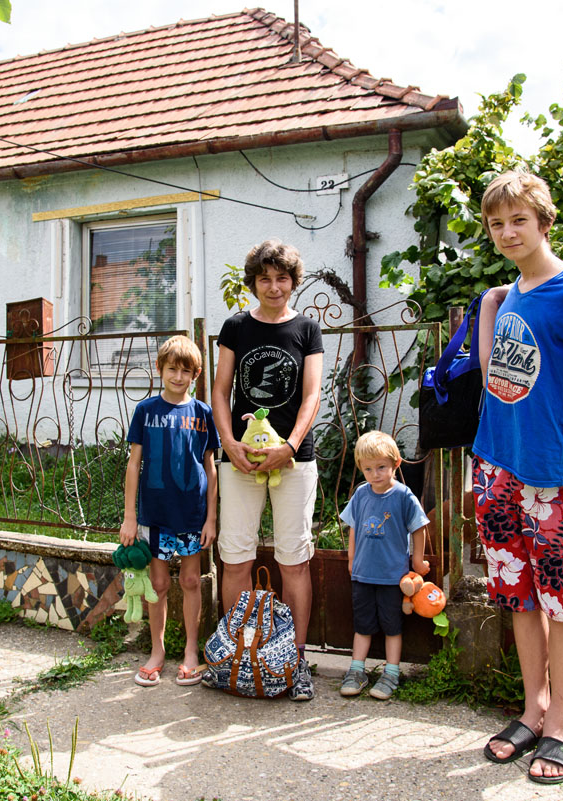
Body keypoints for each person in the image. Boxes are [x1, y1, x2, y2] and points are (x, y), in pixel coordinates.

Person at [472, 171, 563, 784]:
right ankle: (532, 707)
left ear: (544, 222)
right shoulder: (510, 295)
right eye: (496, 224)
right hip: (495, 468)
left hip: (552, 475)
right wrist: (486, 309)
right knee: (519, 596)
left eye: (518, 221)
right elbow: (493, 378)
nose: (507, 232)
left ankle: (560, 720)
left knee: (562, 602)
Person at [212, 239, 323, 702]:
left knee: (292, 557)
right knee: (236, 556)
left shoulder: (307, 329)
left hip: (293, 461)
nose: (273, 287)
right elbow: (219, 391)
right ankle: (238, 654)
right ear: (253, 282)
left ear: (293, 282)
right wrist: (228, 444)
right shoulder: (236, 326)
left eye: (282, 278)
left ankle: (293, 660)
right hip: (240, 458)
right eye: (264, 278)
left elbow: (313, 395)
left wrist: (291, 446)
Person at [120, 335, 220, 688]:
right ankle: (157, 653)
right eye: (171, 369)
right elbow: (134, 465)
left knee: (192, 581)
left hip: (192, 514)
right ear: (160, 369)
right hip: (155, 515)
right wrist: (130, 517)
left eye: (186, 371)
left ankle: (192, 652)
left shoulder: (202, 413)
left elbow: (210, 468)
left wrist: (211, 518)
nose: (178, 376)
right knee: (158, 584)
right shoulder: (145, 411)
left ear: (195, 374)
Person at [338, 431, 429, 700]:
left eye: (381, 467)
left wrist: (417, 560)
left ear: (395, 464)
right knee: (362, 625)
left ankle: (391, 673)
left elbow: (419, 527)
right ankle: (357, 670)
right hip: (363, 574)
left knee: (392, 626)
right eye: (368, 469)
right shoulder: (361, 494)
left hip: (392, 577)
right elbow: (354, 527)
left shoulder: (403, 496)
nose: (375, 474)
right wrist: (351, 559)